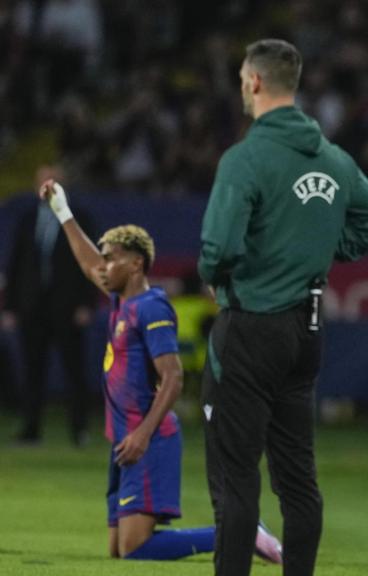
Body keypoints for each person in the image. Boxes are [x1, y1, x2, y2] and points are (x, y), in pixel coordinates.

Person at [198, 38, 368, 576]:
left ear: (254, 81)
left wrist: (217, 275)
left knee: (236, 478)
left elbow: (218, 249)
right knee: (298, 481)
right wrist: (316, 249)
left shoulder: (245, 158)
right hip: (306, 331)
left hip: (250, 327)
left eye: (243, 79)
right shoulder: (333, 158)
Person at [35, 180, 282, 562]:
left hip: (148, 438)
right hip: (124, 438)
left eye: (112, 258)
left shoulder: (151, 308)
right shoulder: (122, 299)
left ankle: (241, 532)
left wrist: (143, 434)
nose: (103, 266)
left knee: (135, 549)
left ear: (136, 263)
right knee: (119, 550)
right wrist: (61, 210)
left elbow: (173, 377)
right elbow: (88, 264)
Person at [4, 165, 95, 446]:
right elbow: (16, 264)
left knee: (74, 370)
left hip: (68, 307)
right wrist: (10, 307)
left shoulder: (79, 219)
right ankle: (31, 429)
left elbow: (91, 262)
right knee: (33, 370)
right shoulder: (27, 218)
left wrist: (86, 303)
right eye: (42, 181)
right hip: (33, 308)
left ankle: (79, 430)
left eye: (52, 182)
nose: (46, 187)